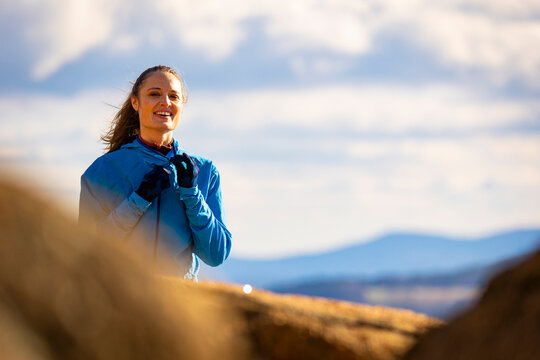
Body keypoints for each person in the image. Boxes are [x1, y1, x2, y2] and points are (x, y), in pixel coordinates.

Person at [79, 65, 232, 280]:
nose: (166, 102)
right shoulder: (102, 171)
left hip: (180, 305)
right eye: (154, 94)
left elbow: (217, 254)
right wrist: (138, 199)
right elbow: (88, 250)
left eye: (174, 97)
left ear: (181, 105)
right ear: (135, 102)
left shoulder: (205, 171)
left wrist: (192, 194)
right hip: (120, 302)